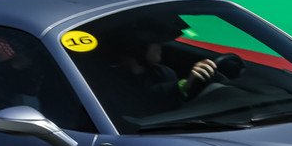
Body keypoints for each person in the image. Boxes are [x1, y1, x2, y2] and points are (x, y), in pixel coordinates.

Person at [88, 14, 218, 123]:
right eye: (156, 42)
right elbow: (142, 103)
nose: (161, 46)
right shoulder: (106, 85)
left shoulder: (164, 73)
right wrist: (183, 87)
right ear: (137, 46)